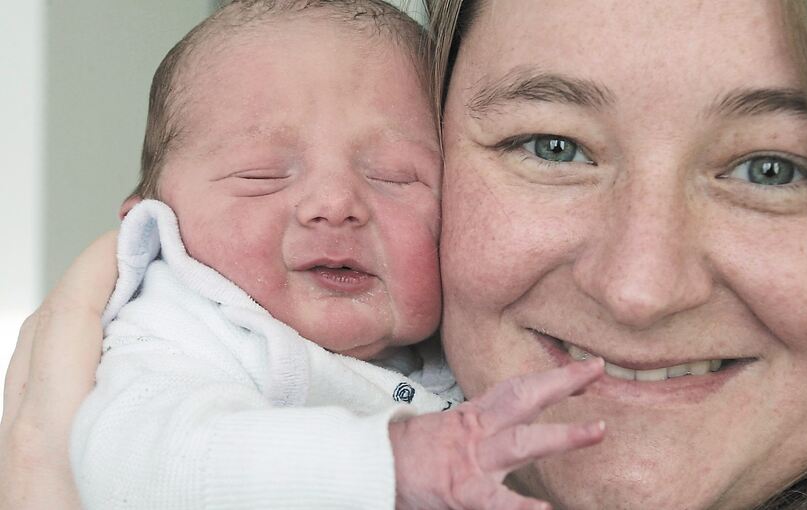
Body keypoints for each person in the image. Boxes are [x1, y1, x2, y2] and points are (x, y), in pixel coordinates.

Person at [2, 0, 807, 508]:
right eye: (550, 146)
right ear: (147, 229)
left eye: (769, 168)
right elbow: (155, 455)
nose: (637, 291)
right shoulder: (184, 335)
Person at [61, 1, 607, 509]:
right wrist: (395, 463)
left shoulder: (471, 347)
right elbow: (133, 463)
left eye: (395, 177)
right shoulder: (179, 335)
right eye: (262, 176)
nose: (336, 204)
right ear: (152, 226)